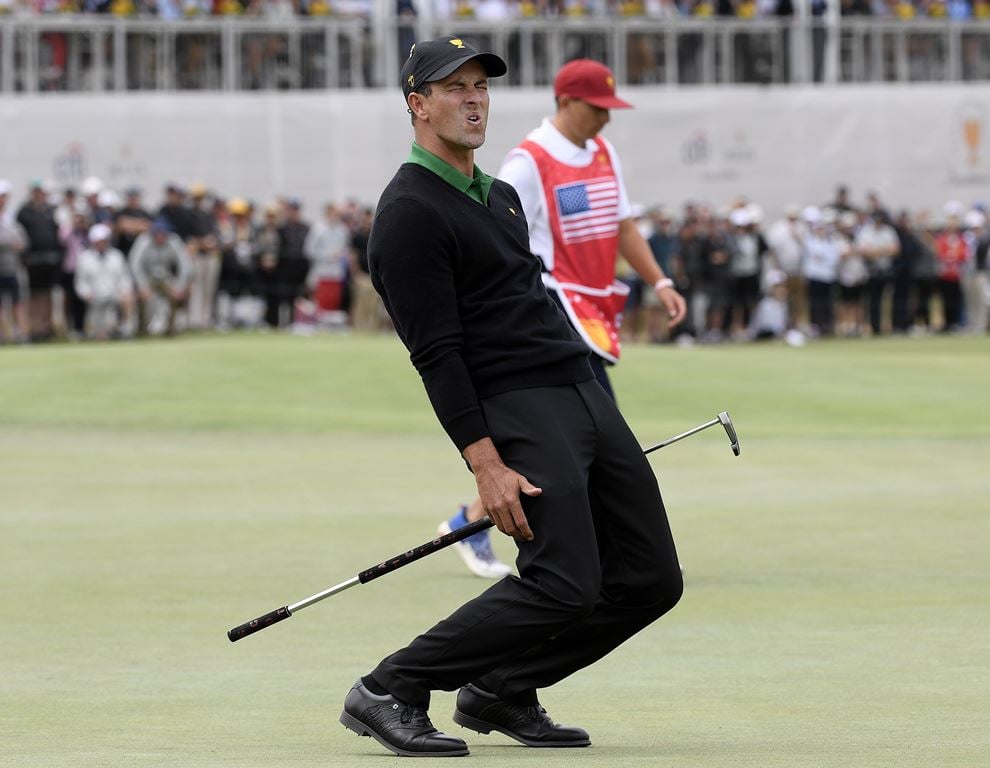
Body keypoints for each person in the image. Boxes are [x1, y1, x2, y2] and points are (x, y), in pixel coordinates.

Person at [338, 36, 683, 758]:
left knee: (651, 579)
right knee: (563, 584)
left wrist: (595, 400)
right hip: (516, 404)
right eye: (453, 87)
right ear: (417, 104)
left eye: (481, 87)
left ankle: (500, 689)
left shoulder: (497, 196)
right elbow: (436, 355)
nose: (472, 99)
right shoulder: (407, 213)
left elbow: (531, 304)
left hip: (580, 386)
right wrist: (484, 464)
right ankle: (389, 686)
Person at [434, 57, 687, 579]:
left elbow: (622, 225)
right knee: (588, 431)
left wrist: (659, 281)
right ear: (567, 101)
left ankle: (471, 521)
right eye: (598, 107)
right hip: (551, 311)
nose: (606, 118)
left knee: (576, 435)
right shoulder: (528, 161)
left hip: (595, 310)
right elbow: (495, 240)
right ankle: (597, 545)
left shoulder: (602, 152)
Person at [16, 180, 64, 341]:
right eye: (36, 191)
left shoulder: (52, 210)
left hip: (51, 261)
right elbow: (20, 235)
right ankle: (34, 329)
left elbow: (60, 232)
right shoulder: (24, 211)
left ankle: (47, 328)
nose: (39, 194)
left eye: (41, 191)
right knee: (34, 296)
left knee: (48, 295)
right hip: (33, 261)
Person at [129, 217, 193, 336]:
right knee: (141, 298)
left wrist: (180, 287)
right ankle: (142, 329)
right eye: (158, 233)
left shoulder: (174, 241)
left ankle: (171, 329)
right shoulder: (143, 241)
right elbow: (135, 265)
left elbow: (185, 265)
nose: (160, 236)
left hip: (166, 278)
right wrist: (142, 286)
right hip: (147, 278)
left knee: (176, 294)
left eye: (163, 233)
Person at [73, 223, 135, 340]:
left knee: (128, 299)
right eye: (98, 241)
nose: (101, 244)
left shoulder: (117, 256)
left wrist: (125, 291)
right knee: (99, 335)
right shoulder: (84, 258)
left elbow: (124, 277)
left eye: (103, 240)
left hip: (114, 294)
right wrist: (86, 294)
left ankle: (125, 329)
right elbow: (80, 282)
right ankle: (99, 331)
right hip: (94, 297)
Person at [0, 180, 29, 343]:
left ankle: (21, 335)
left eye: (3, 196)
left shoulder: (11, 220)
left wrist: (9, 244)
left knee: (17, 303)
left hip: (12, 268)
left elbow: (21, 242)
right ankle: (2, 336)